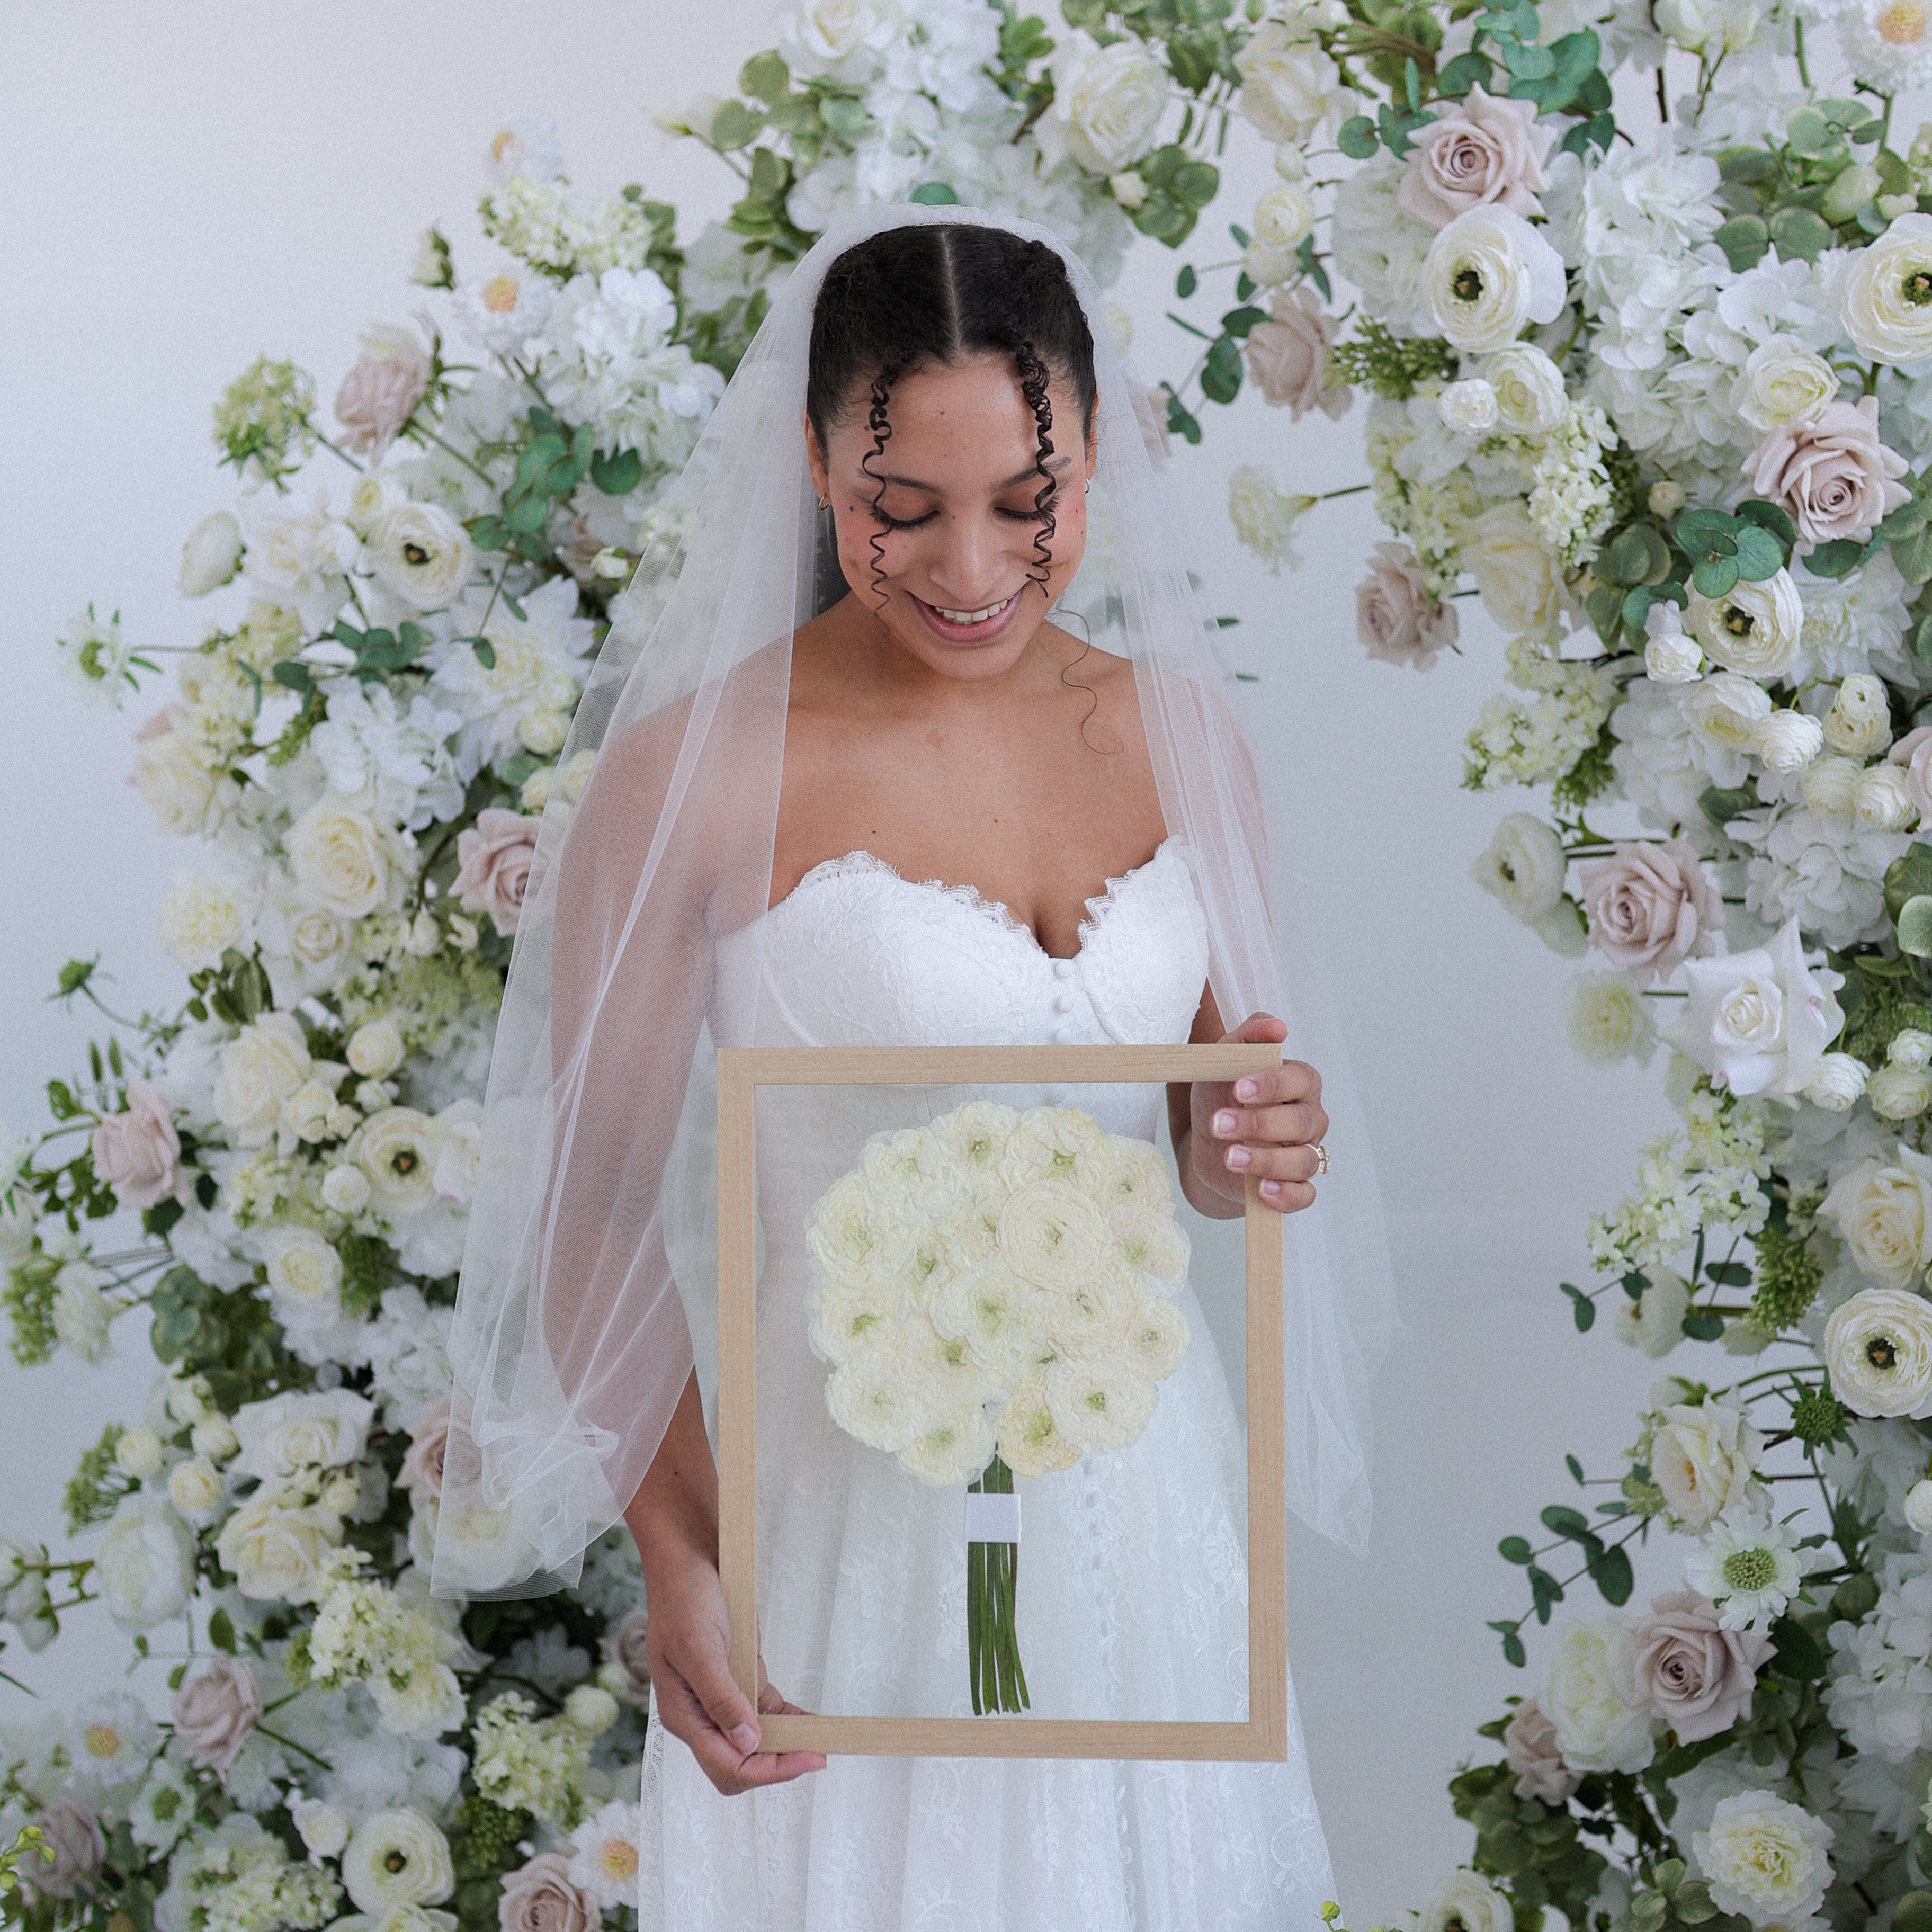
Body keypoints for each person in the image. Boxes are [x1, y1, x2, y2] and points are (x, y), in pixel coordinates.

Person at [437, 204, 1395, 1929]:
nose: (973, 570)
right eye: (905, 510)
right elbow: (587, 1220)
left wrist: (1255, 1130)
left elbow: (1199, 1130)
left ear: (1098, 451)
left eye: (1035, 506)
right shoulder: (696, 778)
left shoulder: (1182, 740)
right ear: (816, 464)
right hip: (842, 1549)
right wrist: (686, 1553)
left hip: (1142, 1525)